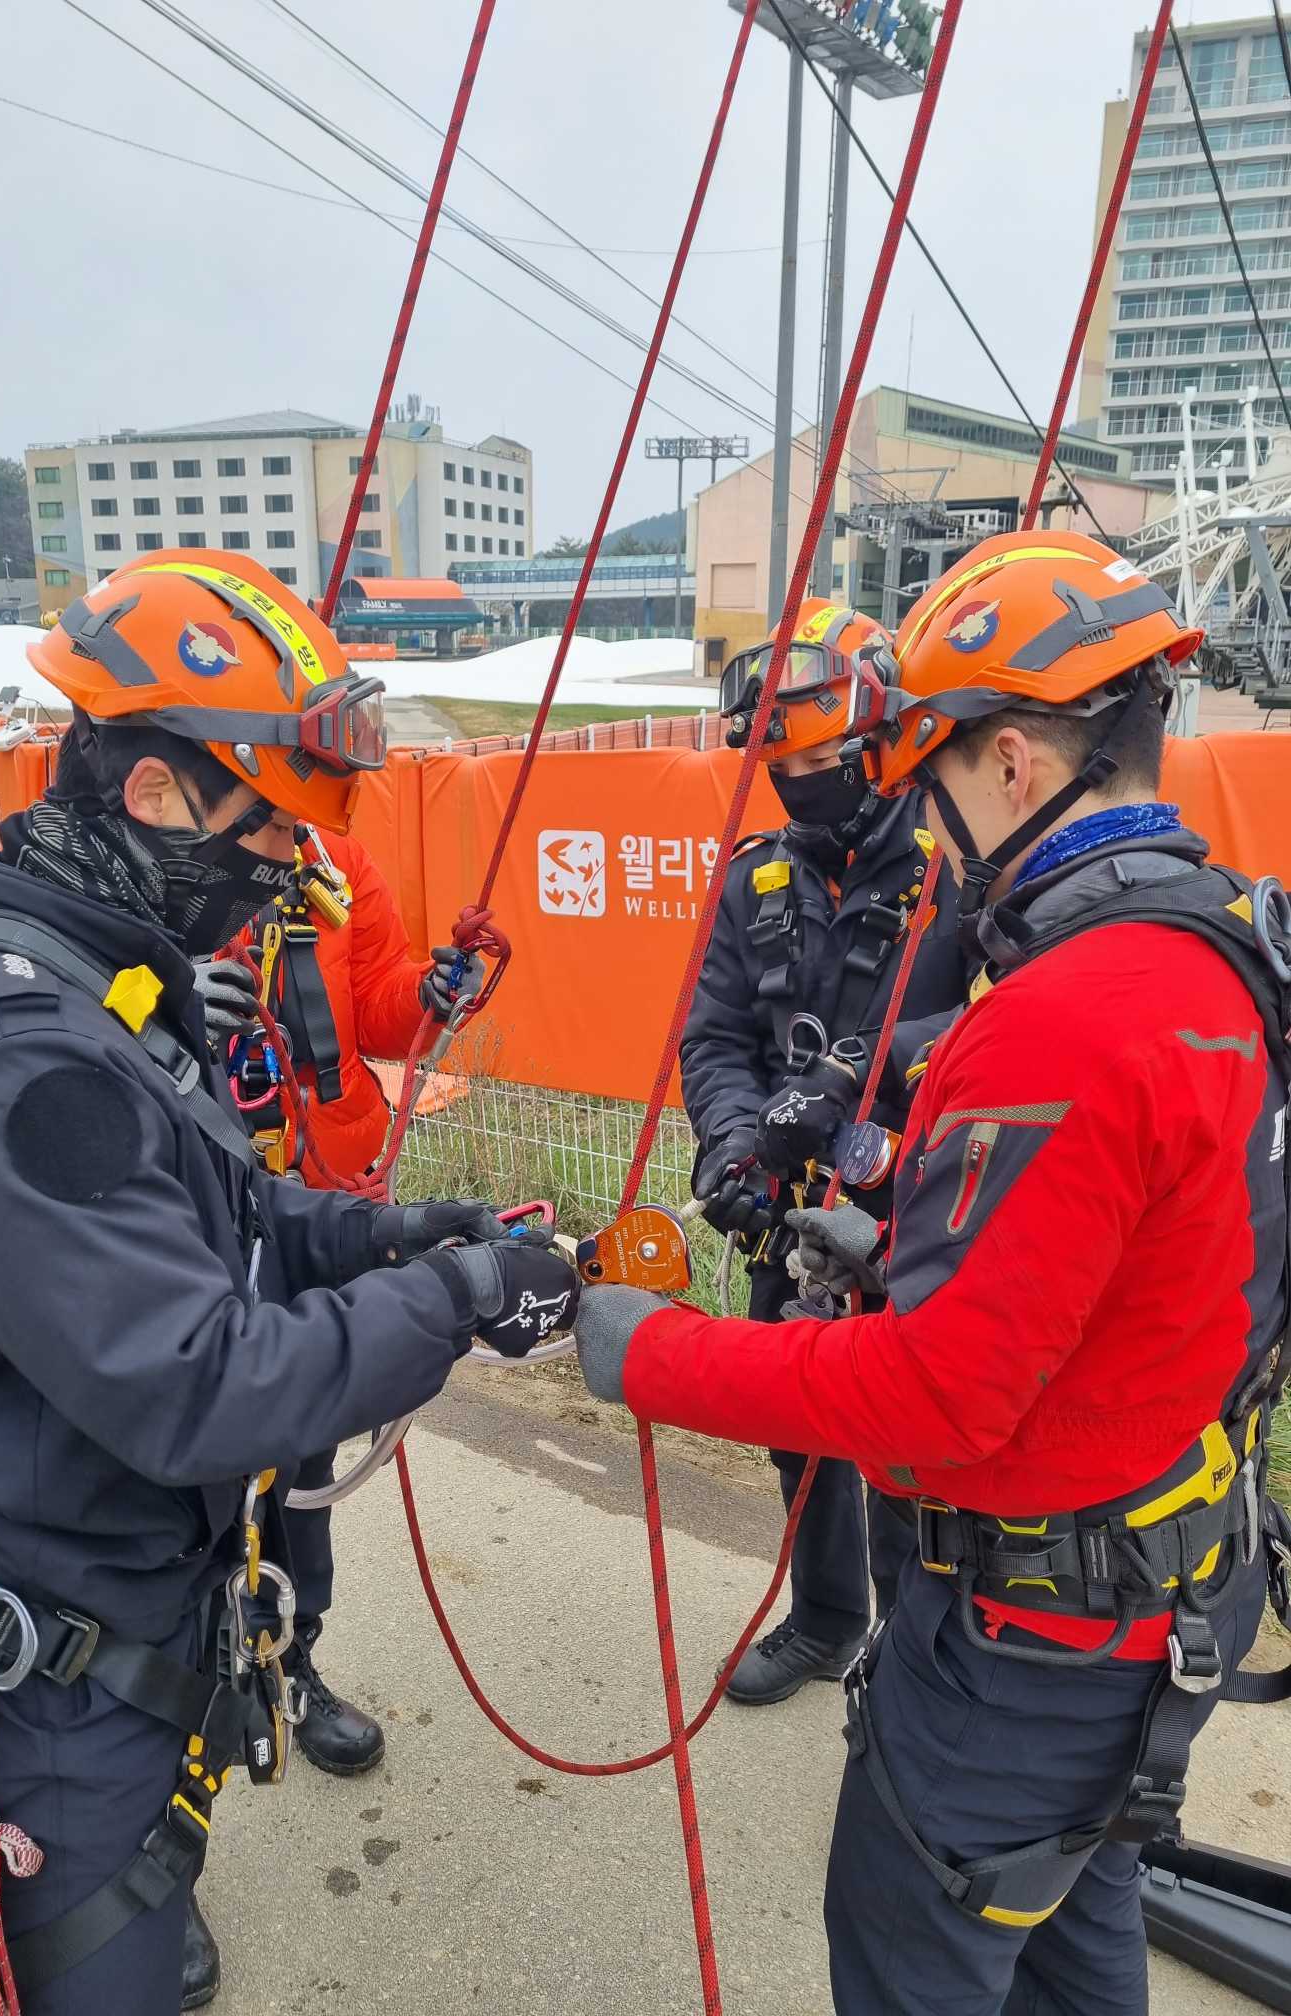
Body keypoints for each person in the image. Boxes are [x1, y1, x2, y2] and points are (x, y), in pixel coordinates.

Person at [0, 550, 582, 2016]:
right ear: (157, 794)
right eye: (271, 834)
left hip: (128, 1614)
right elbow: (203, 1384)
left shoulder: (90, 979)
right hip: (59, 1685)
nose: (284, 871)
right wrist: (459, 1299)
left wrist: (396, 1232)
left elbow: (216, 1209)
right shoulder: (15, 1057)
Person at [574, 531, 1289, 2015]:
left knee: (921, 1951)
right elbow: (1149, 1243)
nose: (932, 828)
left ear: (1012, 764)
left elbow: (936, 1396)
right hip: (1160, 1581)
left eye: (935, 777)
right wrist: (905, 1217)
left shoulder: (1065, 1010)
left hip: (1026, 1645)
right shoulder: (1234, 944)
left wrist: (641, 1349)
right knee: (1079, 1936)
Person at [682, 597, 967, 1703]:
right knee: (797, 1428)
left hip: (917, 1211)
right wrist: (735, 1146)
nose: (802, 785)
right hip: (795, 1215)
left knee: (908, 1451)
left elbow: (1011, 1029)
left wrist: (866, 1079)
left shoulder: (961, 870)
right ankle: (828, 1618)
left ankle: (913, 1656)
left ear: (882, 739)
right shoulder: (759, 879)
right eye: (782, 767)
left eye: (823, 761)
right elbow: (716, 1037)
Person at [192, 828, 486, 1779]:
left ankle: (291, 1659)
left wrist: (430, 996)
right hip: (197, 1201)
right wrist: (171, 997)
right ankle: (181, 1685)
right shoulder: (154, 847)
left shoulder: (334, 866)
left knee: (304, 1447)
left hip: (322, 1193)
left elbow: (379, 1008)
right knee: (195, 1453)